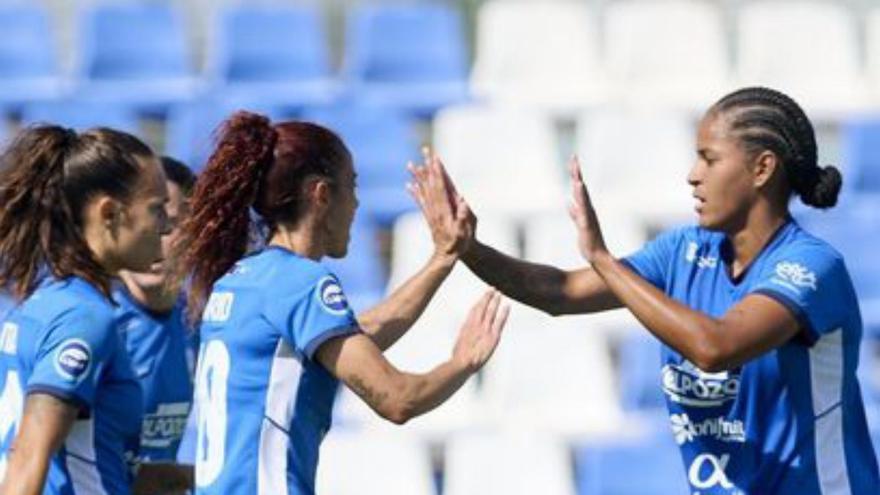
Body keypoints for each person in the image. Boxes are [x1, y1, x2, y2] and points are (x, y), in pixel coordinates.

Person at [412, 86, 880, 494]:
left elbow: (716, 347)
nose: (692, 175)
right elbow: (560, 292)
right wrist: (468, 249)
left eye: (709, 159)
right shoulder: (683, 250)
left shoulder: (811, 266)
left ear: (762, 168)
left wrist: (603, 260)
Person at [177, 112, 508, 495]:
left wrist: (443, 257)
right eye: (351, 187)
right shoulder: (301, 283)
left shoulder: (242, 281)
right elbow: (396, 399)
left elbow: (356, 340)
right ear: (320, 195)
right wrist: (462, 363)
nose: (356, 204)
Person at [0, 126, 170, 495]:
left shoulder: (41, 302)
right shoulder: (84, 318)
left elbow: (88, 459)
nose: (167, 226)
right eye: (156, 210)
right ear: (109, 213)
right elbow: (28, 456)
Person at [114, 157, 197, 494]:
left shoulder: (200, 323)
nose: (156, 237)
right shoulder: (92, 323)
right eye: (145, 220)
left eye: (172, 224)